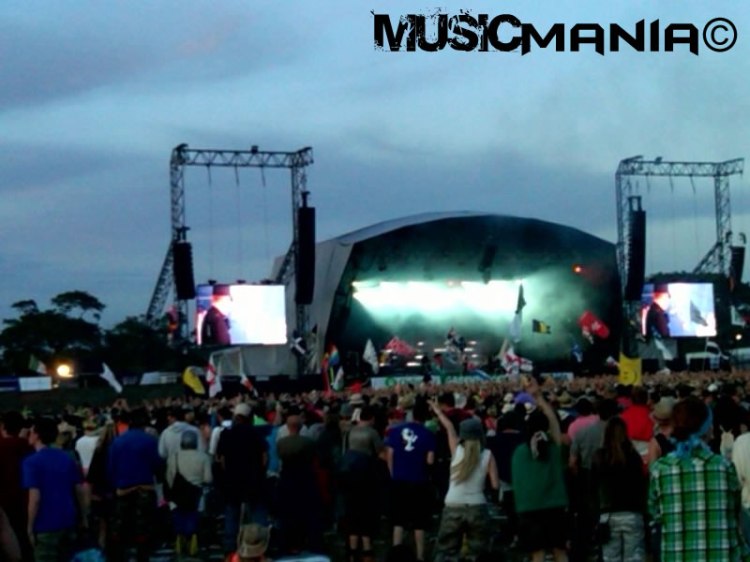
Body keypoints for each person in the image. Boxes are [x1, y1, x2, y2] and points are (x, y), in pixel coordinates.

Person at [649, 397, 749, 561]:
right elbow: (734, 511)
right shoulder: (724, 467)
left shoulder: (660, 470)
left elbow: (655, 513)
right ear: (707, 428)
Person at [430, 399, 499, 562]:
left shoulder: (456, 450)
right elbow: (495, 485)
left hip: (453, 504)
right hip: (477, 505)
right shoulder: (488, 455)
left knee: (446, 552)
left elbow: (449, 427)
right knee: (479, 553)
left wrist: (438, 411)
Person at [511, 377, 569, 562]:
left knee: (537, 556)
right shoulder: (553, 448)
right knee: (560, 552)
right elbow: (554, 423)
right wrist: (538, 397)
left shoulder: (519, 453)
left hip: (528, 508)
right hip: (555, 506)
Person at [22, 417, 87, 562]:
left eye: (31, 432)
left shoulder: (31, 462)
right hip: (68, 520)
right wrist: (84, 517)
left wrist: (29, 527)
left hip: (45, 524)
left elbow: (35, 498)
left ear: (37, 435)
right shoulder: (67, 458)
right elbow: (79, 490)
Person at [107, 409, 163, 562]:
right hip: (145, 489)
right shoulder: (150, 441)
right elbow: (157, 465)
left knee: (120, 529)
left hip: (123, 489)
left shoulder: (118, 441)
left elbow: (111, 468)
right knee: (143, 529)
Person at [385, 399, 436, 562]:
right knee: (419, 522)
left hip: (399, 480)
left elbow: (389, 455)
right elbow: (430, 460)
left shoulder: (395, 431)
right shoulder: (428, 434)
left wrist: (392, 474)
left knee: (398, 521)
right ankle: (420, 555)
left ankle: (395, 554)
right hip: (419, 481)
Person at [216, 403, 269, 558]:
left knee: (232, 515)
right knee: (258, 514)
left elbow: (221, 459)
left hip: (233, 480)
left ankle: (230, 549)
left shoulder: (226, 434)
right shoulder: (256, 434)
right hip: (254, 479)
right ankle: (260, 544)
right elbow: (264, 457)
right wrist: (261, 472)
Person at [591, 417, 647, 562]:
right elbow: (641, 485)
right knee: (634, 558)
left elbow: (592, 487)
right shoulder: (633, 456)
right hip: (632, 512)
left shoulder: (599, 457)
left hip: (608, 514)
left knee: (610, 557)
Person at [166, 430, 212, 556]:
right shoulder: (203, 457)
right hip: (196, 494)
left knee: (178, 515)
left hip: (177, 494)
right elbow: (208, 479)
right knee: (193, 515)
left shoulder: (173, 457)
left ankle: (179, 537)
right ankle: (192, 538)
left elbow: (169, 479)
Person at [0, 411, 33, 561]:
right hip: (27, 500)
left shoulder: (2, 446)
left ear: (3, 426)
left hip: (5, 503)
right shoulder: (29, 447)